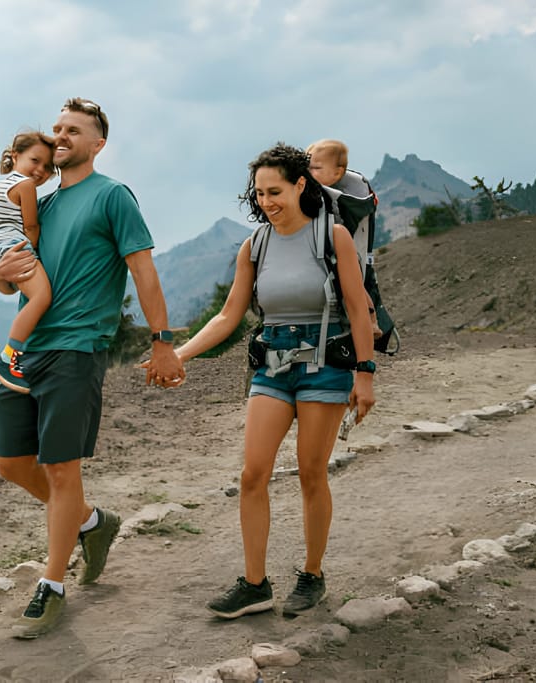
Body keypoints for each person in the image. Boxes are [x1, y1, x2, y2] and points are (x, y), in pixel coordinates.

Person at [150, 142, 375, 619]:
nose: (267, 202)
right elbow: (229, 315)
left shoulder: (332, 237)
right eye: (259, 194)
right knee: (253, 474)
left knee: (312, 474)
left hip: (325, 366)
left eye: (275, 191)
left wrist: (365, 374)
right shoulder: (256, 245)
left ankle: (312, 576)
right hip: (272, 367)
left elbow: (358, 308)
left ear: (300, 186)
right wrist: (179, 355)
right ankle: (255, 585)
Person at [0, 97, 184, 639]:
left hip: (77, 348)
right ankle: (93, 523)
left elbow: (143, 271)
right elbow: (14, 277)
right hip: (27, 351)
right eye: (55, 128)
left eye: (72, 129)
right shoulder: (41, 205)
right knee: (10, 463)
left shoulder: (112, 196)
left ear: (97, 143)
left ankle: (51, 587)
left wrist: (163, 340)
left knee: (60, 469)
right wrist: (1, 276)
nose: (60, 136)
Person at [0, 131, 57, 393]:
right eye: (35, 160)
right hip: (17, 246)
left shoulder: (0, 185)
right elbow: (31, 225)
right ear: (15, 156)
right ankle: (8, 358)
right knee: (41, 297)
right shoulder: (25, 186)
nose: (41, 170)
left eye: (48, 167)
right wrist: (36, 249)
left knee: (35, 298)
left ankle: (13, 358)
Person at [306, 139, 382, 338]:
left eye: (316, 168)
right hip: (326, 256)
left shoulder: (337, 200)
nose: (308, 172)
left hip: (340, 257)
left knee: (353, 282)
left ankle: (371, 318)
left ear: (337, 173)